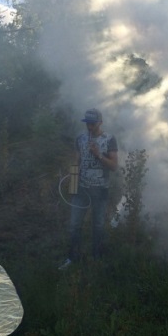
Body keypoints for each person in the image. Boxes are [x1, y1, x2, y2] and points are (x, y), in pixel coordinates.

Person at [59, 108, 118, 269]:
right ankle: (72, 259)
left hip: (101, 191)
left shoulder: (110, 139)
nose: (89, 127)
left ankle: (96, 259)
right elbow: (77, 161)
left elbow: (114, 166)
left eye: (92, 123)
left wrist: (98, 154)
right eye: (87, 123)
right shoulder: (80, 139)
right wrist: (71, 180)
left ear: (100, 122)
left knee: (98, 226)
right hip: (81, 190)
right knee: (74, 225)